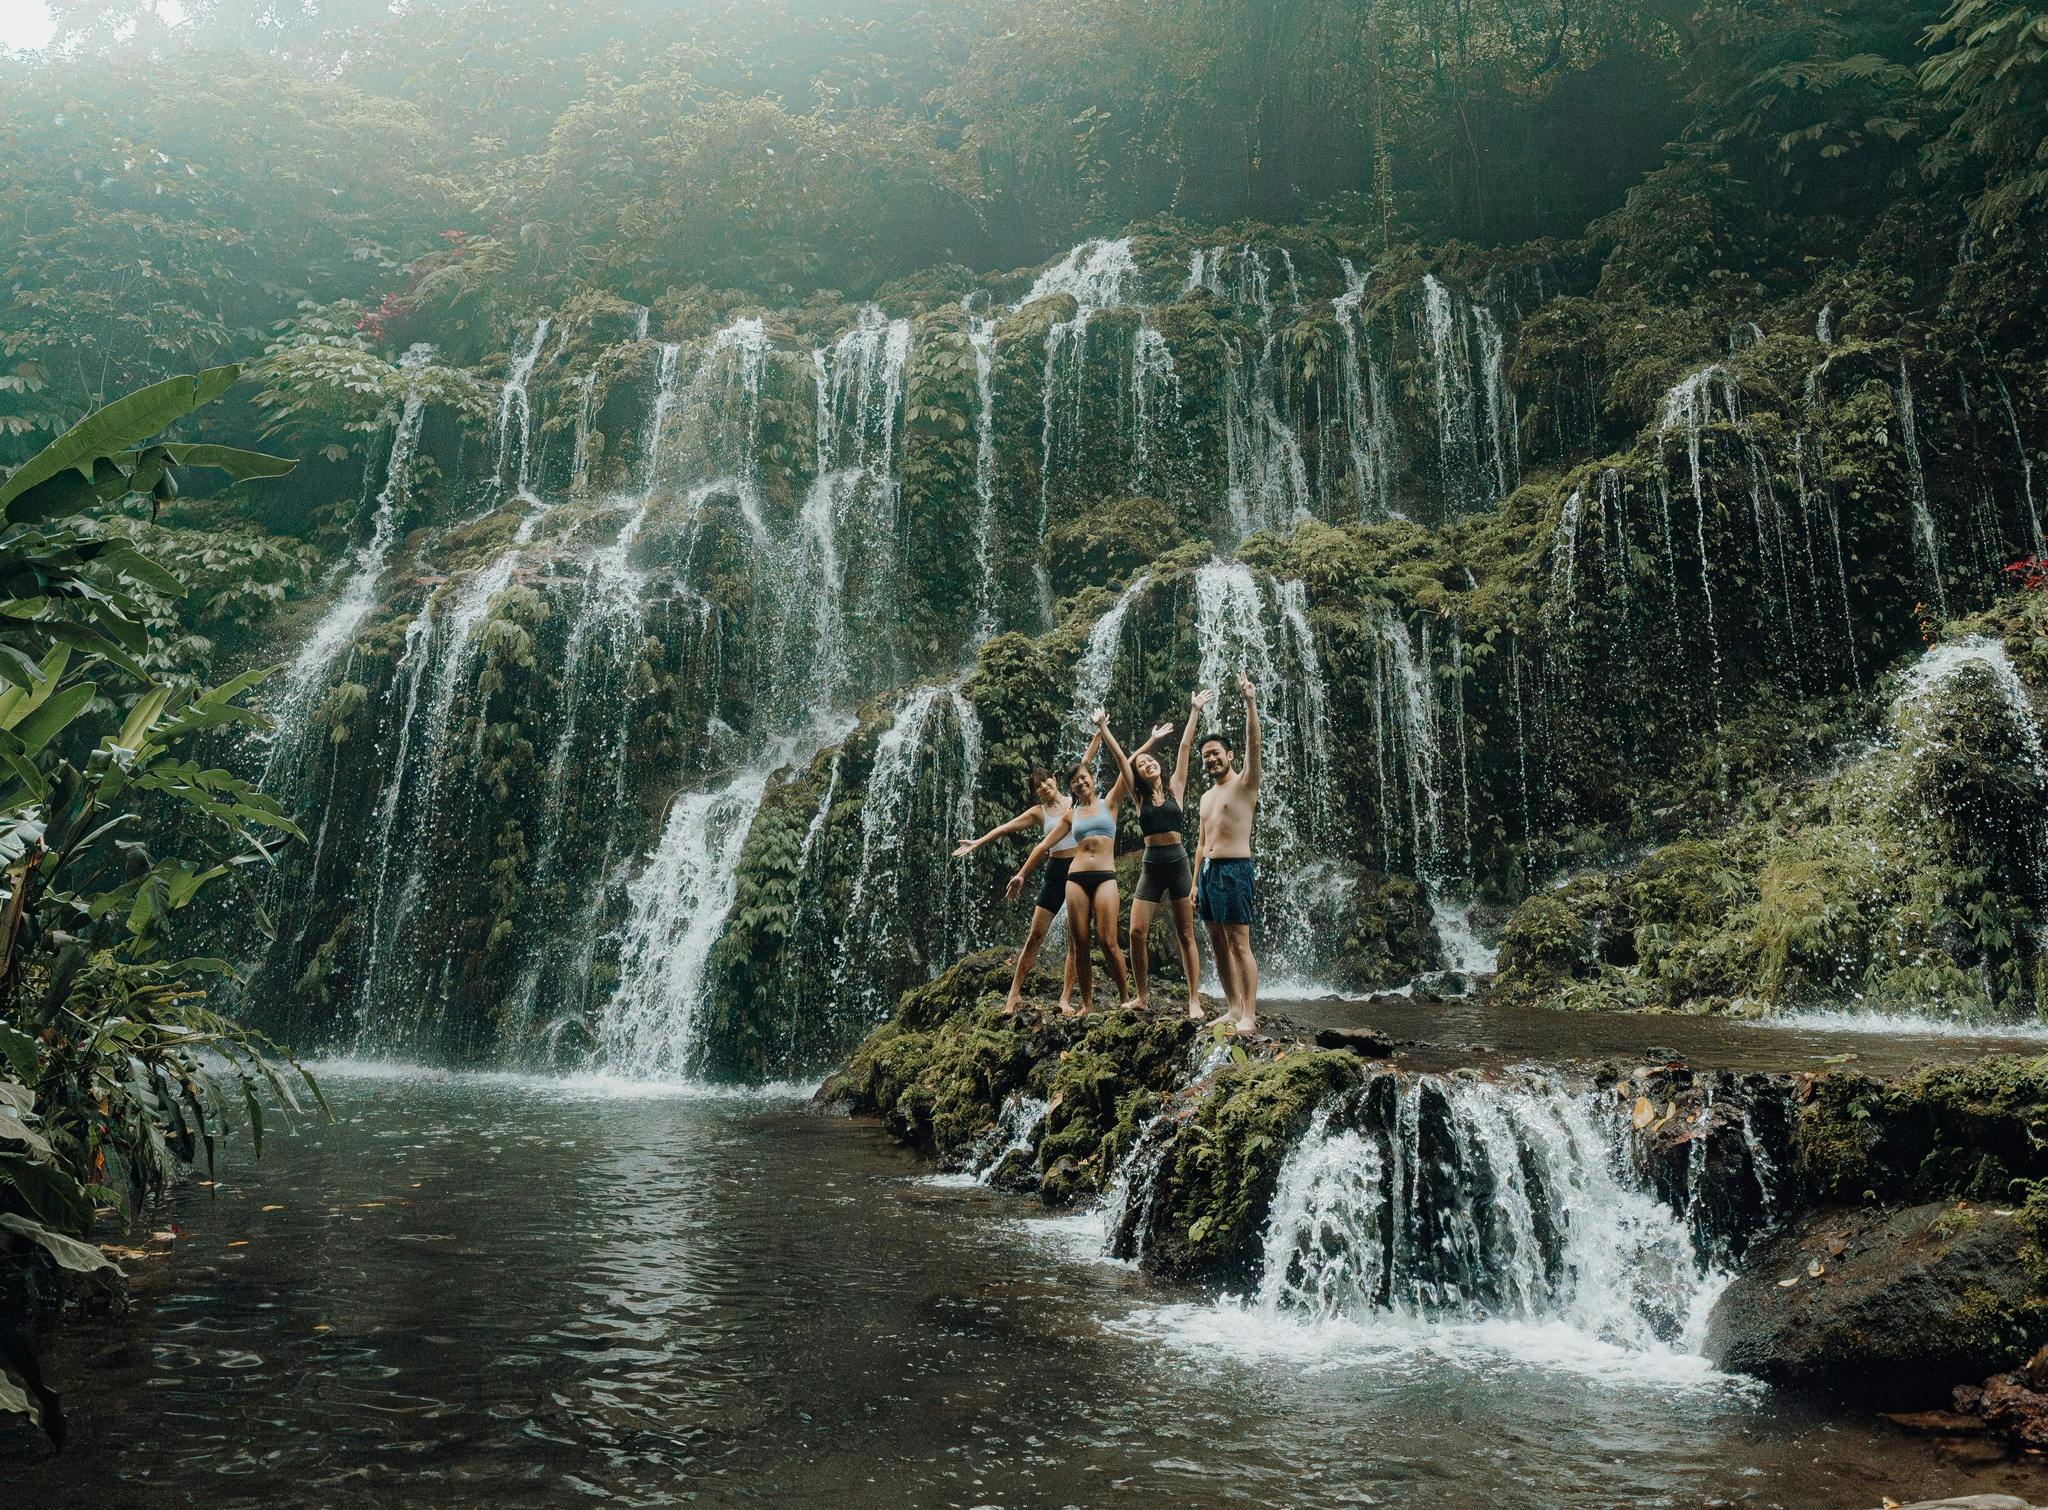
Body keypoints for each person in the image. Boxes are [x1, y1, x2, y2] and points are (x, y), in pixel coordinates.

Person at [955, 728, 1101, 1014]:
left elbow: (1085, 759)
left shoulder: (1075, 799)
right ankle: (1012, 997)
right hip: (1055, 871)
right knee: (1035, 935)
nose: (1045, 789)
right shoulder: (1039, 813)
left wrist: (1098, 732)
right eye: (1039, 789)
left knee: (1075, 938)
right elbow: (1005, 827)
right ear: (1037, 793)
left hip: (1079, 869)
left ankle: (1065, 998)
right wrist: (977, 842)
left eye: (1047, 784)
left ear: (1055, 781)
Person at [1008, 709, 1134, 1015]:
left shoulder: (1110, 802)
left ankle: (1126, 997)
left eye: (1083, 778)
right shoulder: (1070, 814)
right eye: (1075, 782)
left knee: (1106, 940)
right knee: (1078, 942)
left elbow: (1123, 764)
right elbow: (1043, 845)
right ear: (1072, 788)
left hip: (1104, 874)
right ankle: (1086, 1004)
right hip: (1075, 877)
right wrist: (1023, 873)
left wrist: (1103, 729)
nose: (1080, 783)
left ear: (1091, 779)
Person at [1127, 689, 1209, 1019]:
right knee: (1136, 932)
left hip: (1177, 861)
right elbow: (1127, 760)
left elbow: (1186, 747)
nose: (1148, 763)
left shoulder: (1176, 787)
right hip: (1151, 863)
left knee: (1186, 933)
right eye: (1143, 764)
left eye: (1151, 761)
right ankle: (1142, 996)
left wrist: (1194, 710)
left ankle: (1194, 1000)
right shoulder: (1138, 798)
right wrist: (1148, 743)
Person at [1194, 675, 1261, 1033]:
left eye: (1216, 754)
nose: (1211, 760)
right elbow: (1202, 842)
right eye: (1205, 757)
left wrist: (1249, 703)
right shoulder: (1205, 797)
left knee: (1239, 943)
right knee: (1218, 945)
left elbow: (1254, 746)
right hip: (1207, 874)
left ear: (1230, 756)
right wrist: (1193, 883)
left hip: (1235, 870)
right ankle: (1233, 1008)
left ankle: (1249, 1014)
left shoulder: (1244, 783)